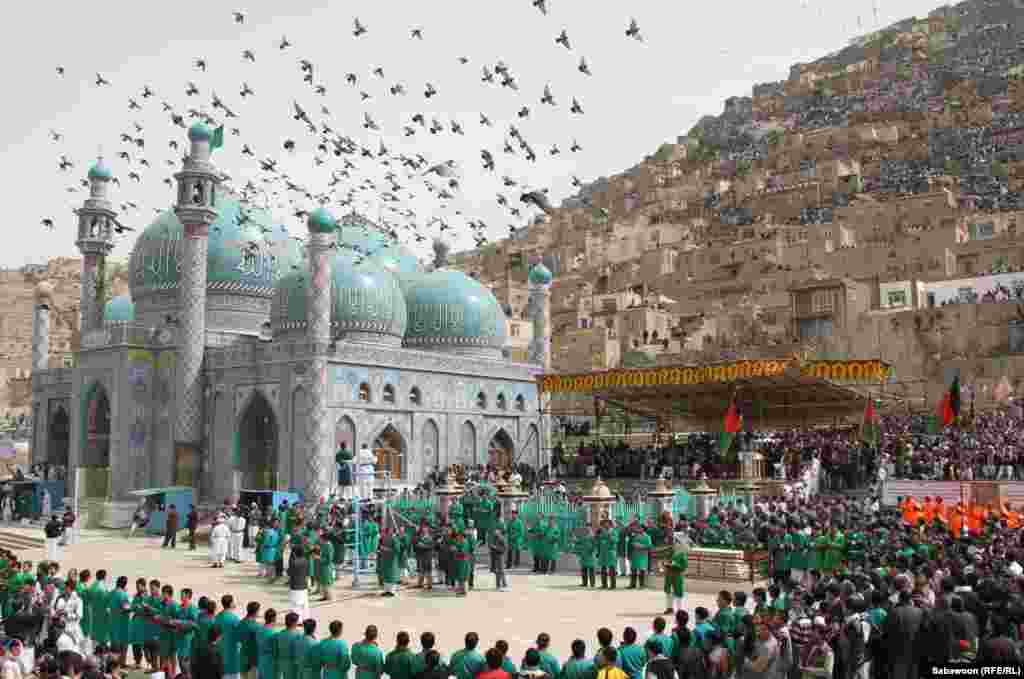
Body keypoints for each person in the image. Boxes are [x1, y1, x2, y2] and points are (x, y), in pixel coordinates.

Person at [272, 612, 304, 679]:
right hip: (293, 664)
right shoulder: (298, 635)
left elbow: (276, 650)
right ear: (294, 622)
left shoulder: (280, 634)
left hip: (282, 663)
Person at [288, 546, 310, 619]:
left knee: (295, 604)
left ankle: (298, 620)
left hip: (295, 585)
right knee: (304, 603)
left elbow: (289, 572)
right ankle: (305, 618)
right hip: (304, 584)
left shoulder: (294, 562)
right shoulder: (305, 560)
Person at [255, 608, 278, 679]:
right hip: (270, 662)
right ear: (274, 618)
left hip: (261, 661)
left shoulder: (259, 630)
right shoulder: (274, 633)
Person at [489, 527, 509, 591]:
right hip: (494, 556)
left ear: (499, 531)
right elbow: (492, 547)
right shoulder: (494, 538)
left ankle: (501, 585)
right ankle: (501, 585)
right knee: (498, 571)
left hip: (500, 556)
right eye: (495, 531)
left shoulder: (502, 539)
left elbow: (504, 548)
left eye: (497, 531)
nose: (495, 532)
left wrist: (495, 547)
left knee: (500, 571)